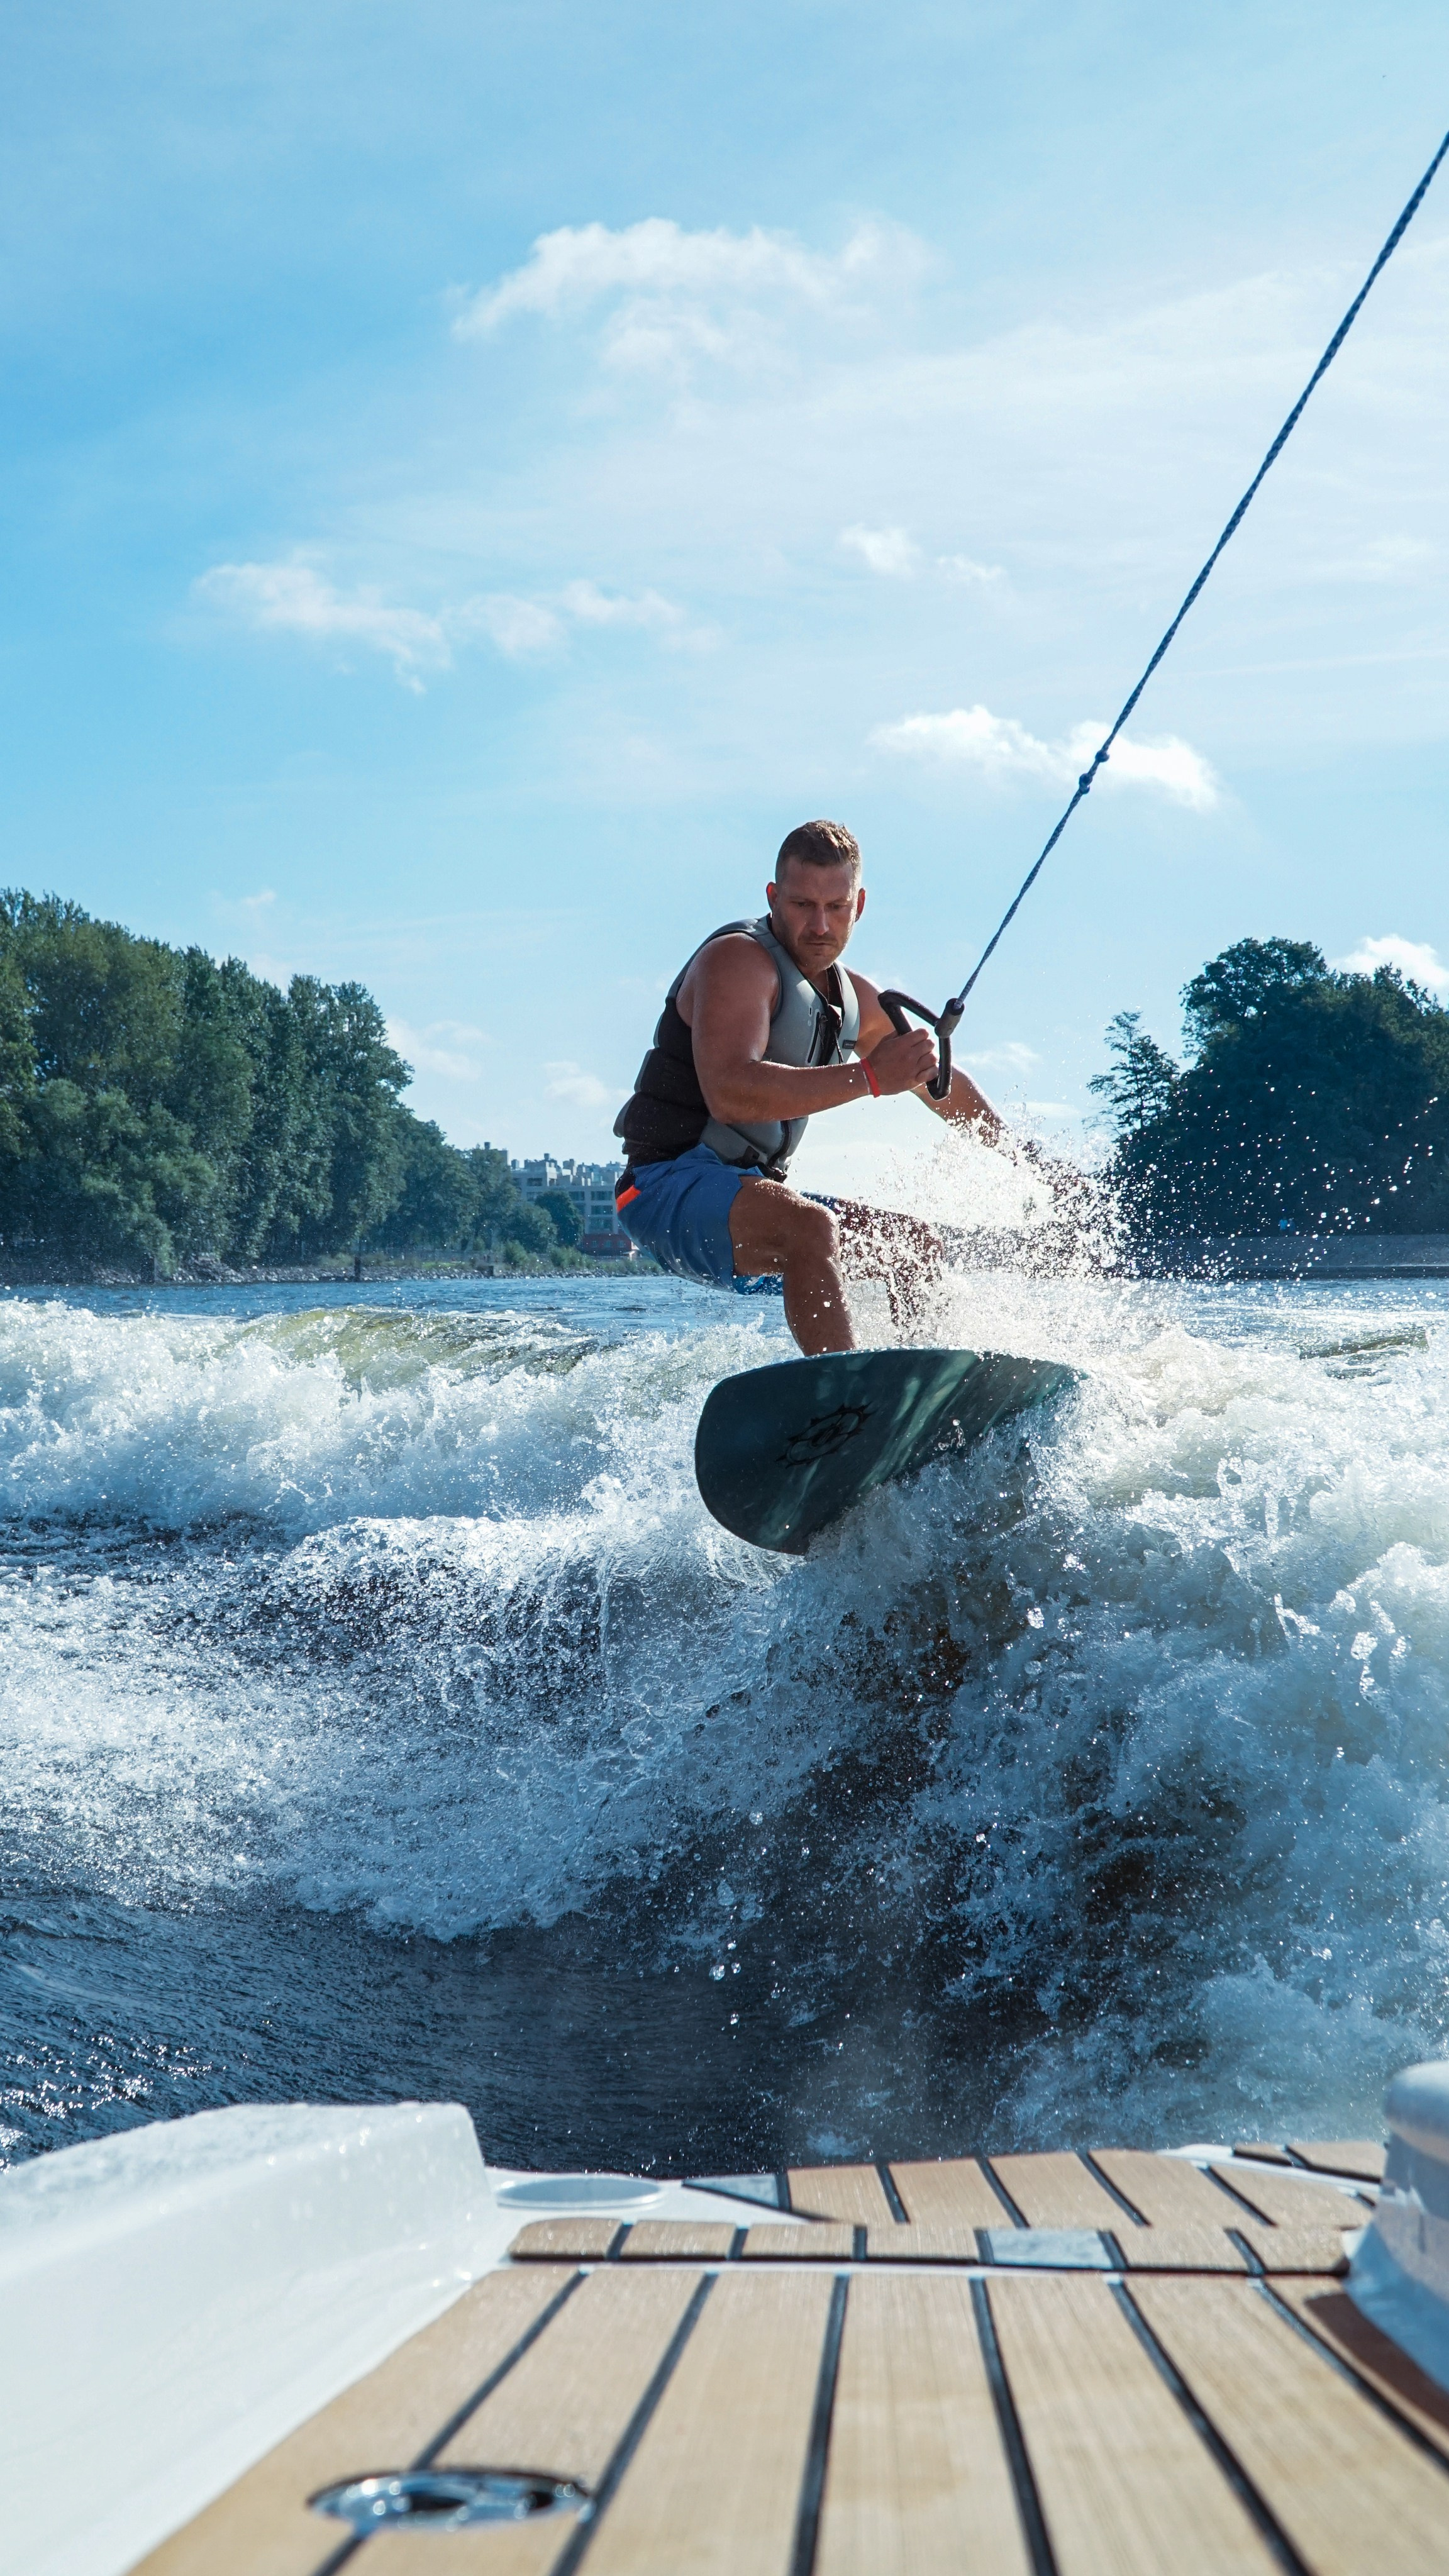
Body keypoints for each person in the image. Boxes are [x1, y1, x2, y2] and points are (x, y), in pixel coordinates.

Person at [612, 818, 1025, 1353]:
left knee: (914, 1247)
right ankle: (844, 1403)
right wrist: (871, 1077)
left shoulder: (854, 998)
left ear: (858, 906)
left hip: (750, 1191)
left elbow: (940, 1084)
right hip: (664, 1185)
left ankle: (917, 1403)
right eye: (803, 905)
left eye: (835, 907)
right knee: (812, 1227)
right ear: (773, 897)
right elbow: (730, 1093)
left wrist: (1026, 1159)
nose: (820, 925)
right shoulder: (738, 961)